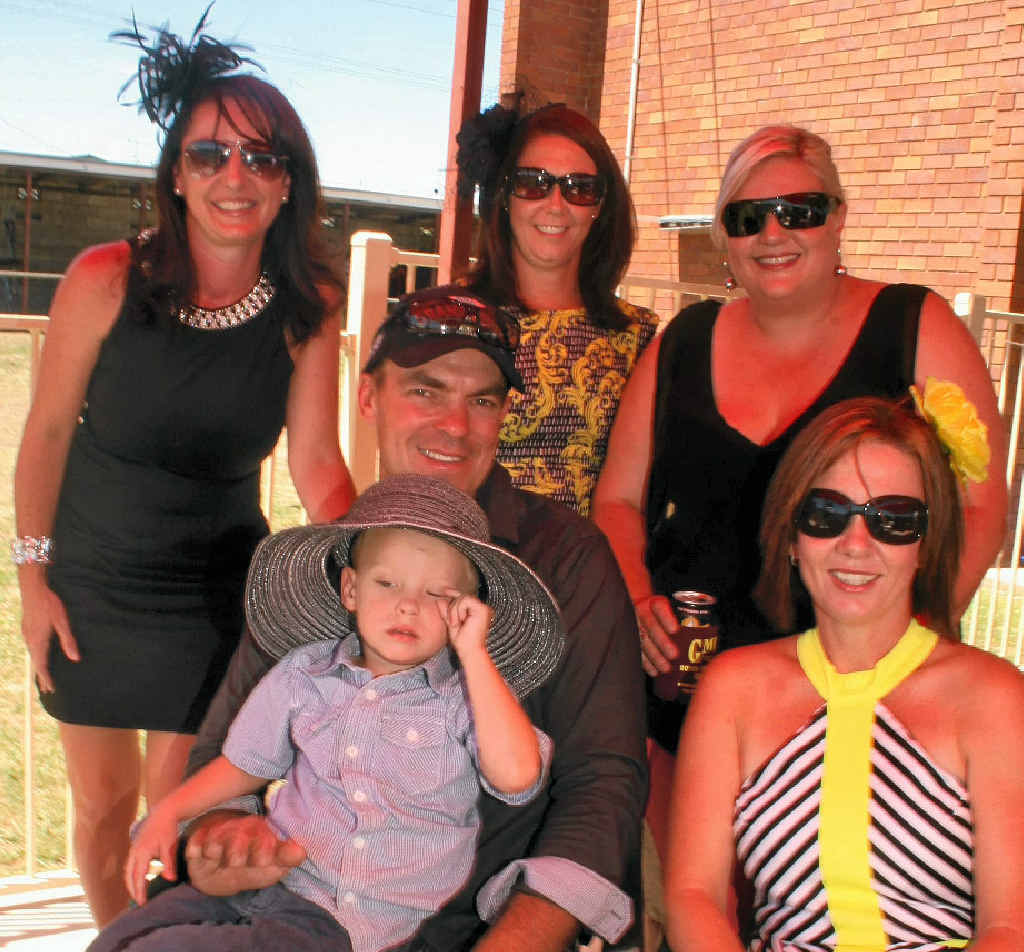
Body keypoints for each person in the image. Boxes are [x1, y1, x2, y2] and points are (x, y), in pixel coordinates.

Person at [591, 123, 1007, 948]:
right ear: (723, 239)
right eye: (747, 218)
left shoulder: (911, 322)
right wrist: (639, 599)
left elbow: (982, 503)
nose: (773, 233)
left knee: (853, 898)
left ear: (840, 217)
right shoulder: (685, 340)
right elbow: (618, 499)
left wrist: (900, 656)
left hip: (863, 667)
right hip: (694, 679)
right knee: (698, 903)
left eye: (799, 210)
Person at [176, 287, 649, 952]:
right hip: (306, 917)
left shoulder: (566, 560)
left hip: (494, 925)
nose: (455, 424)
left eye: (482, 400)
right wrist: (220, 837)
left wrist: (518, 941)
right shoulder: (325, 560)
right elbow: (221, 758)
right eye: (425, 390)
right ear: (368, 398)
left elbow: (603, 779)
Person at [12, 15, 355, 926]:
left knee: (172, 811)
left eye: (260, 158)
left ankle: (148, 940)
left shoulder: (306, 307)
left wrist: (370, 555)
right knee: (97, 807)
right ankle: (114, 941)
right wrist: (32, 580)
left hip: (208, 596)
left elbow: (318, 463)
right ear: (176, 174)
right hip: (90, 582)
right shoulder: (103, 278)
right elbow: (45, 435)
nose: (233, 178)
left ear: (289, 184)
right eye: (209, 155)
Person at [89, 473, 561, 952]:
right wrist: (168, 812)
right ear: (351, 589)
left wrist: (476, 656)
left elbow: (518, 776)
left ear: (465, 609)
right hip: (268, 877)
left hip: (338, 921)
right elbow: (245, 765)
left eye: (437, 593)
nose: (407, 606)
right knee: (123, 937)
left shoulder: (466, 701)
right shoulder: (305, 673)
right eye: (387, 583)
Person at [664, 395, 1024, 952]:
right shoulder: (732, 688)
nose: (856, 544)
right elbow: (694, 896)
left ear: (926, 545)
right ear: (789, 534)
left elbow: (1011, 926)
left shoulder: (996, 697)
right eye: (826, 514)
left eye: (894, 520)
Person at [455, 101, 659, 515]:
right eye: (534, 183)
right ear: (506, 196)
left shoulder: (639, 338)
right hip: (467, 560)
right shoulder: (453, 318)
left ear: (600, 206)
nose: (556, 204)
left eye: (579, 188)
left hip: (589, 568)